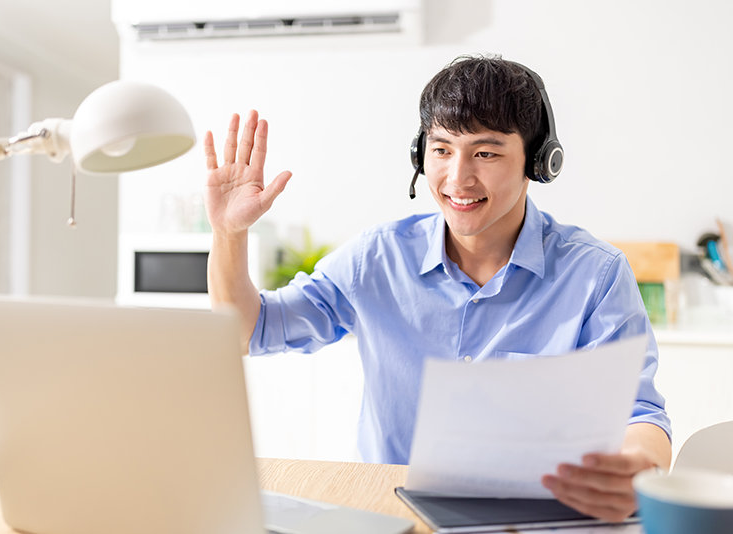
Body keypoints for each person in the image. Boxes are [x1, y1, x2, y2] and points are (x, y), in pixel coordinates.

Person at [203, 55, 671, 523]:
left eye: (485, 153)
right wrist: (229, 234)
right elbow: (247, 332)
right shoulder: (377, 258)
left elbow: (640, 415)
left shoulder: (596, 274)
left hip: (529, 519)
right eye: (442, 149)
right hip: (390, 516)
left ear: (537, 161)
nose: (458, 178)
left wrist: (634, 468)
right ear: (419, 154)